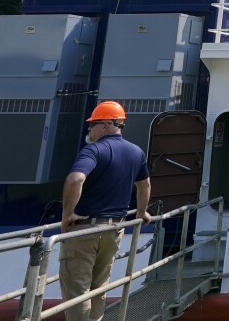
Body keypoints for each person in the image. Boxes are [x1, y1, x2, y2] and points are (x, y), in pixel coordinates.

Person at [59, 100, 151, 321]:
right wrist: (141, 212)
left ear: (106, 125)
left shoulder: (93, 150)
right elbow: (144, 184)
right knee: (99, 287)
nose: (89, 129)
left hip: (84, 230)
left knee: (77, 291)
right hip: (114, 230)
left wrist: (67, 215)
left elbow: (75, 180)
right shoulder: (136, 152)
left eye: (93, 124)